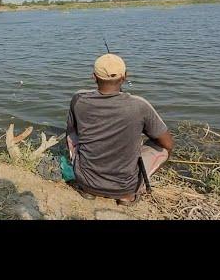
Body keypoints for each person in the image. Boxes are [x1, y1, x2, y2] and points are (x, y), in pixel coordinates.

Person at [66, 53, 174, 205]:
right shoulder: (139, 105)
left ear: (94, 76)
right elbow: (168, 143)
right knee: (163, 148)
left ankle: (88, 190)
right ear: (125, 77)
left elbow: (71, 132)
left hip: (85, 181)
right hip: (125, 188)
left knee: (72, 134)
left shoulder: (78, 99)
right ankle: (127, 196)